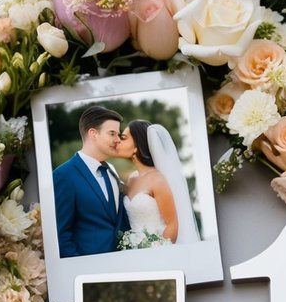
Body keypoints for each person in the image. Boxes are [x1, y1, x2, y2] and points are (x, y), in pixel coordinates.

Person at [53, 105, 129, 257]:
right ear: (93, 134)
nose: (117, 140)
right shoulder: (63, 175)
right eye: (112, 134)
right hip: (87, 271)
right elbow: (61, 235)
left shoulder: (112, 171)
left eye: (118, 134)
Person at [115, 120, 200, 244]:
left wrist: (152, 250)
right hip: (133, 251)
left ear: (136, 147)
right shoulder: (132, 179)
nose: (118, 141)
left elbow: (172, 226)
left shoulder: (157, 180)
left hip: (157, 251)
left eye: (124, 138)